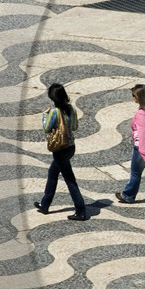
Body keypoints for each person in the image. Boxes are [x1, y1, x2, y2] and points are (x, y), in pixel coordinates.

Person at [36, 82, 89, 221]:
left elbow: (46, 128)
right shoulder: (71, 109)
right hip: (70, 147)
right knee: (52, 173)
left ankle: (81, 210)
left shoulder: (54, 112)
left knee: (70, 180)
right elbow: (75, 127)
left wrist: (44, 115)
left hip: (60, 149)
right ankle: (44, 204)